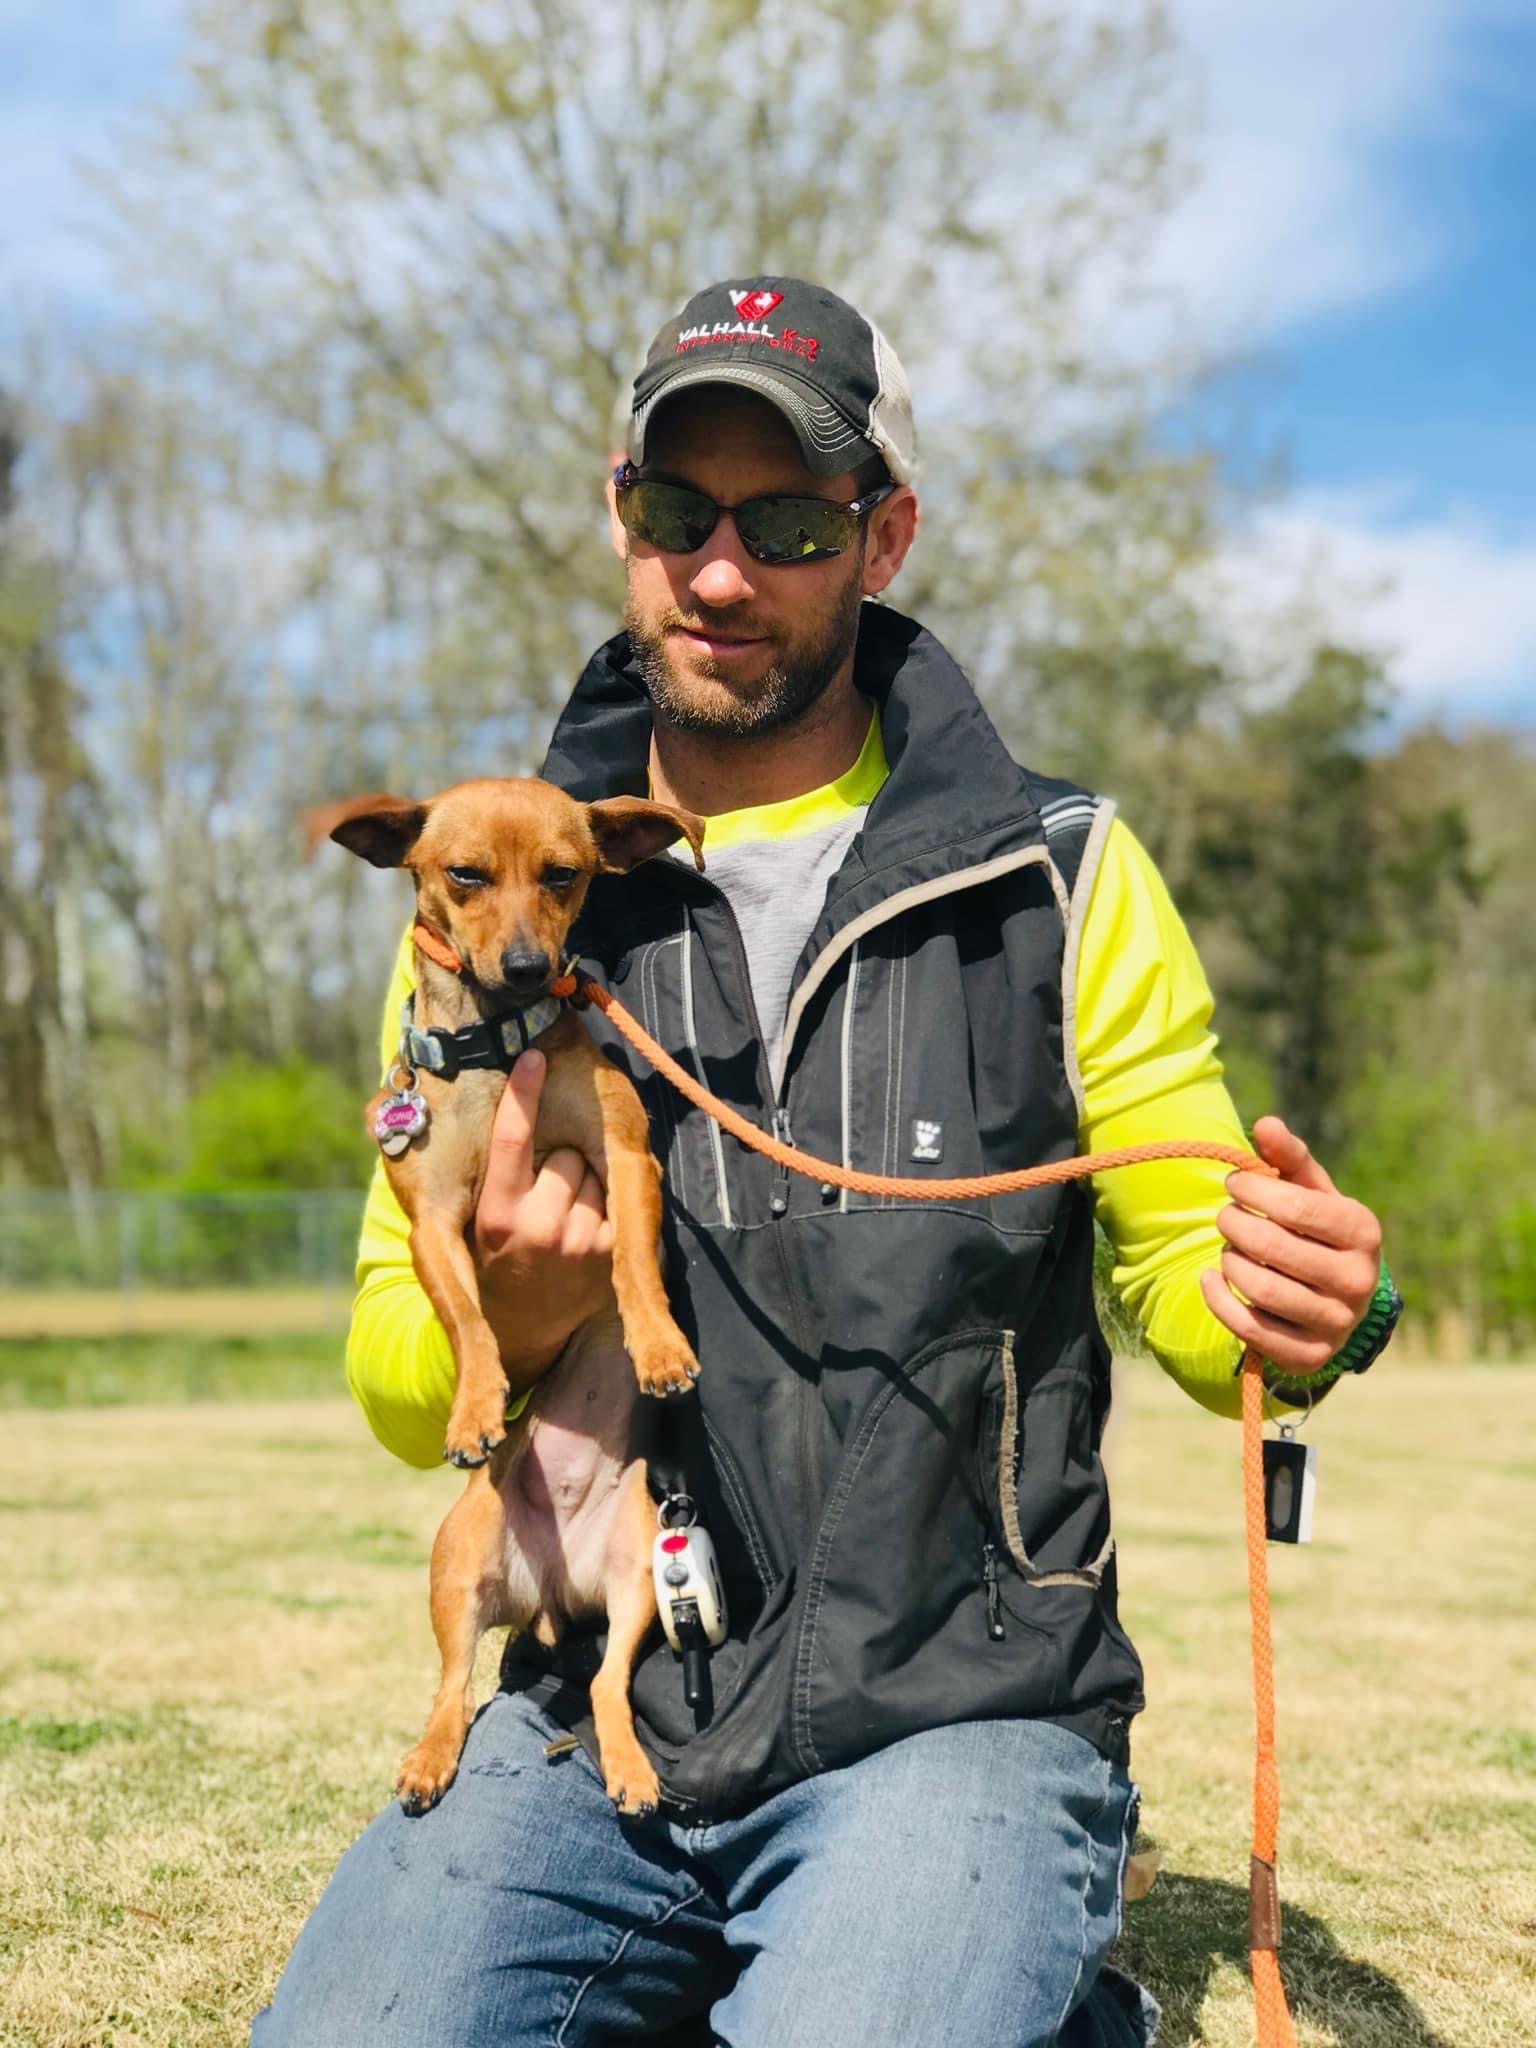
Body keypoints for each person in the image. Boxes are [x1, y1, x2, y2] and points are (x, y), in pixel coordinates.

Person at [253, 278, 1399, 2047]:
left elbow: (1194, 1279)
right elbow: (406, 1394)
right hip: (601, 1700)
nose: (720, 572)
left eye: (786, 521)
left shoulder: (1063, 872)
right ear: (617, 518)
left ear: (885, 537)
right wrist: (522, 1298)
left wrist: (1304, 1303)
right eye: (674, 514)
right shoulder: (484, 906)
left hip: (960, 1710)